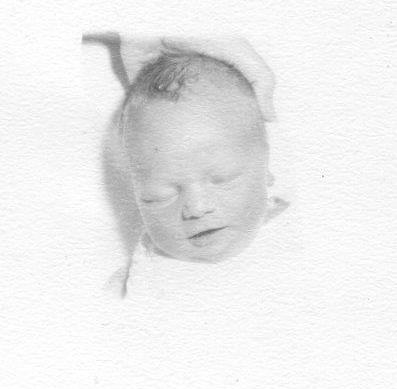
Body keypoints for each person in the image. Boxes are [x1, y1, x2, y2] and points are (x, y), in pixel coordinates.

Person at [82, 33, 288, 297]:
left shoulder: (302, 239)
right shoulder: (142, 275)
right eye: (159, 196)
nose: (196, 208)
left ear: (266, 167)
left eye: (222, 178)